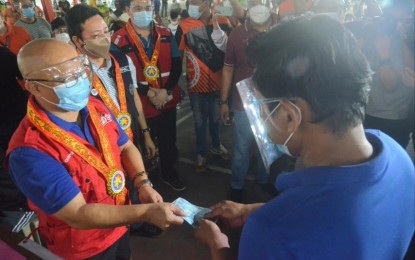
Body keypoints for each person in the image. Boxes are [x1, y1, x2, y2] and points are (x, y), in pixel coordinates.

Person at [194, 16, 415, 259]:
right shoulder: (399, 159)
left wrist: (218, 246)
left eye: (262, 105)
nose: (259, 113)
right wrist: (255, 210)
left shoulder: (273, 232)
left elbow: (304, 222)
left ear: (290, 116)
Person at [6, 39, 186, 259]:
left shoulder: (93, 106)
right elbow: (78, 214)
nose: (79, 79)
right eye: (66, 76)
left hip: (120, 224)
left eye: (79, 68)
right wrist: (146, 212)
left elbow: (126, 146)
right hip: (84, 247)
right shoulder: (30, 151)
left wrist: (142, 183)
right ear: (33, 86)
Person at [219, 0, 291, 202]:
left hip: (274, 102)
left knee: (269, 145)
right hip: (243, 103)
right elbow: (228, 68)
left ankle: (262, 178)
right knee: (242, 147)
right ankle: (237, 185)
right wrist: (223, 101)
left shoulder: (280, 33)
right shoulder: (237, 34)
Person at [112, 0, 186, 191]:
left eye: (147, 8)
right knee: (146, 146)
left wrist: (166, 91)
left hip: (167, 100)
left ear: (153, 9)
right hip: (141, 104)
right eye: (138, 9)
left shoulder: (166, 34)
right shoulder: (118, 40)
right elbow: (121, 76)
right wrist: (151, 92)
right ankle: (149, 183)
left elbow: (177, 65)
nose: (143, 12)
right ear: (128, 10)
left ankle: (170, 174)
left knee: (169, 141)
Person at [175, 0, 232, 172]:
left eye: (196, 1)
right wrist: (176, 84)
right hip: (195, 84)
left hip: (218, 82)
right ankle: (201, 153)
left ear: (207, 3)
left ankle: (216, 145)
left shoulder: (222, 21)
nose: (192, 4)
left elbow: (229, 52)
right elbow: (177, 56)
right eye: (190, 2)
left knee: (216, 119)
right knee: (199, 121)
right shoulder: (183, 26)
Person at [362, 0, 414, 148]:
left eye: (403, 20)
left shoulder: (407, 42)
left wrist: (385, 57)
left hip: (392, 118)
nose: (397, 25)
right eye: (391, 19)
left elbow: (391, 85)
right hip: (366, 112)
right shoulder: (376, 37)